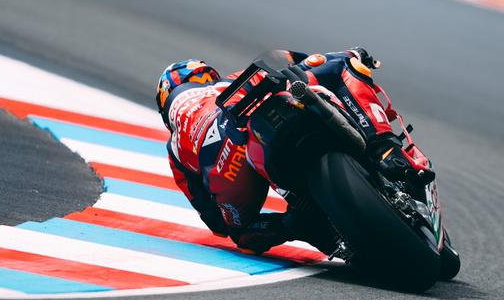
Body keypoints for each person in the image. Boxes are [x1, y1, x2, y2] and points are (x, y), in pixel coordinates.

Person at [155, 48, 435, 255]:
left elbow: (215, 223)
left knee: (240, 233)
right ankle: (384, 147)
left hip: (227, 169)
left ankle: (299, 224)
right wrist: (349, 56)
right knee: (341, 64)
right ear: (203, 75)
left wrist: (271, 225)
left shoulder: (174, 148)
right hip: (255, 115)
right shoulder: (226, 82)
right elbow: (288, 60)